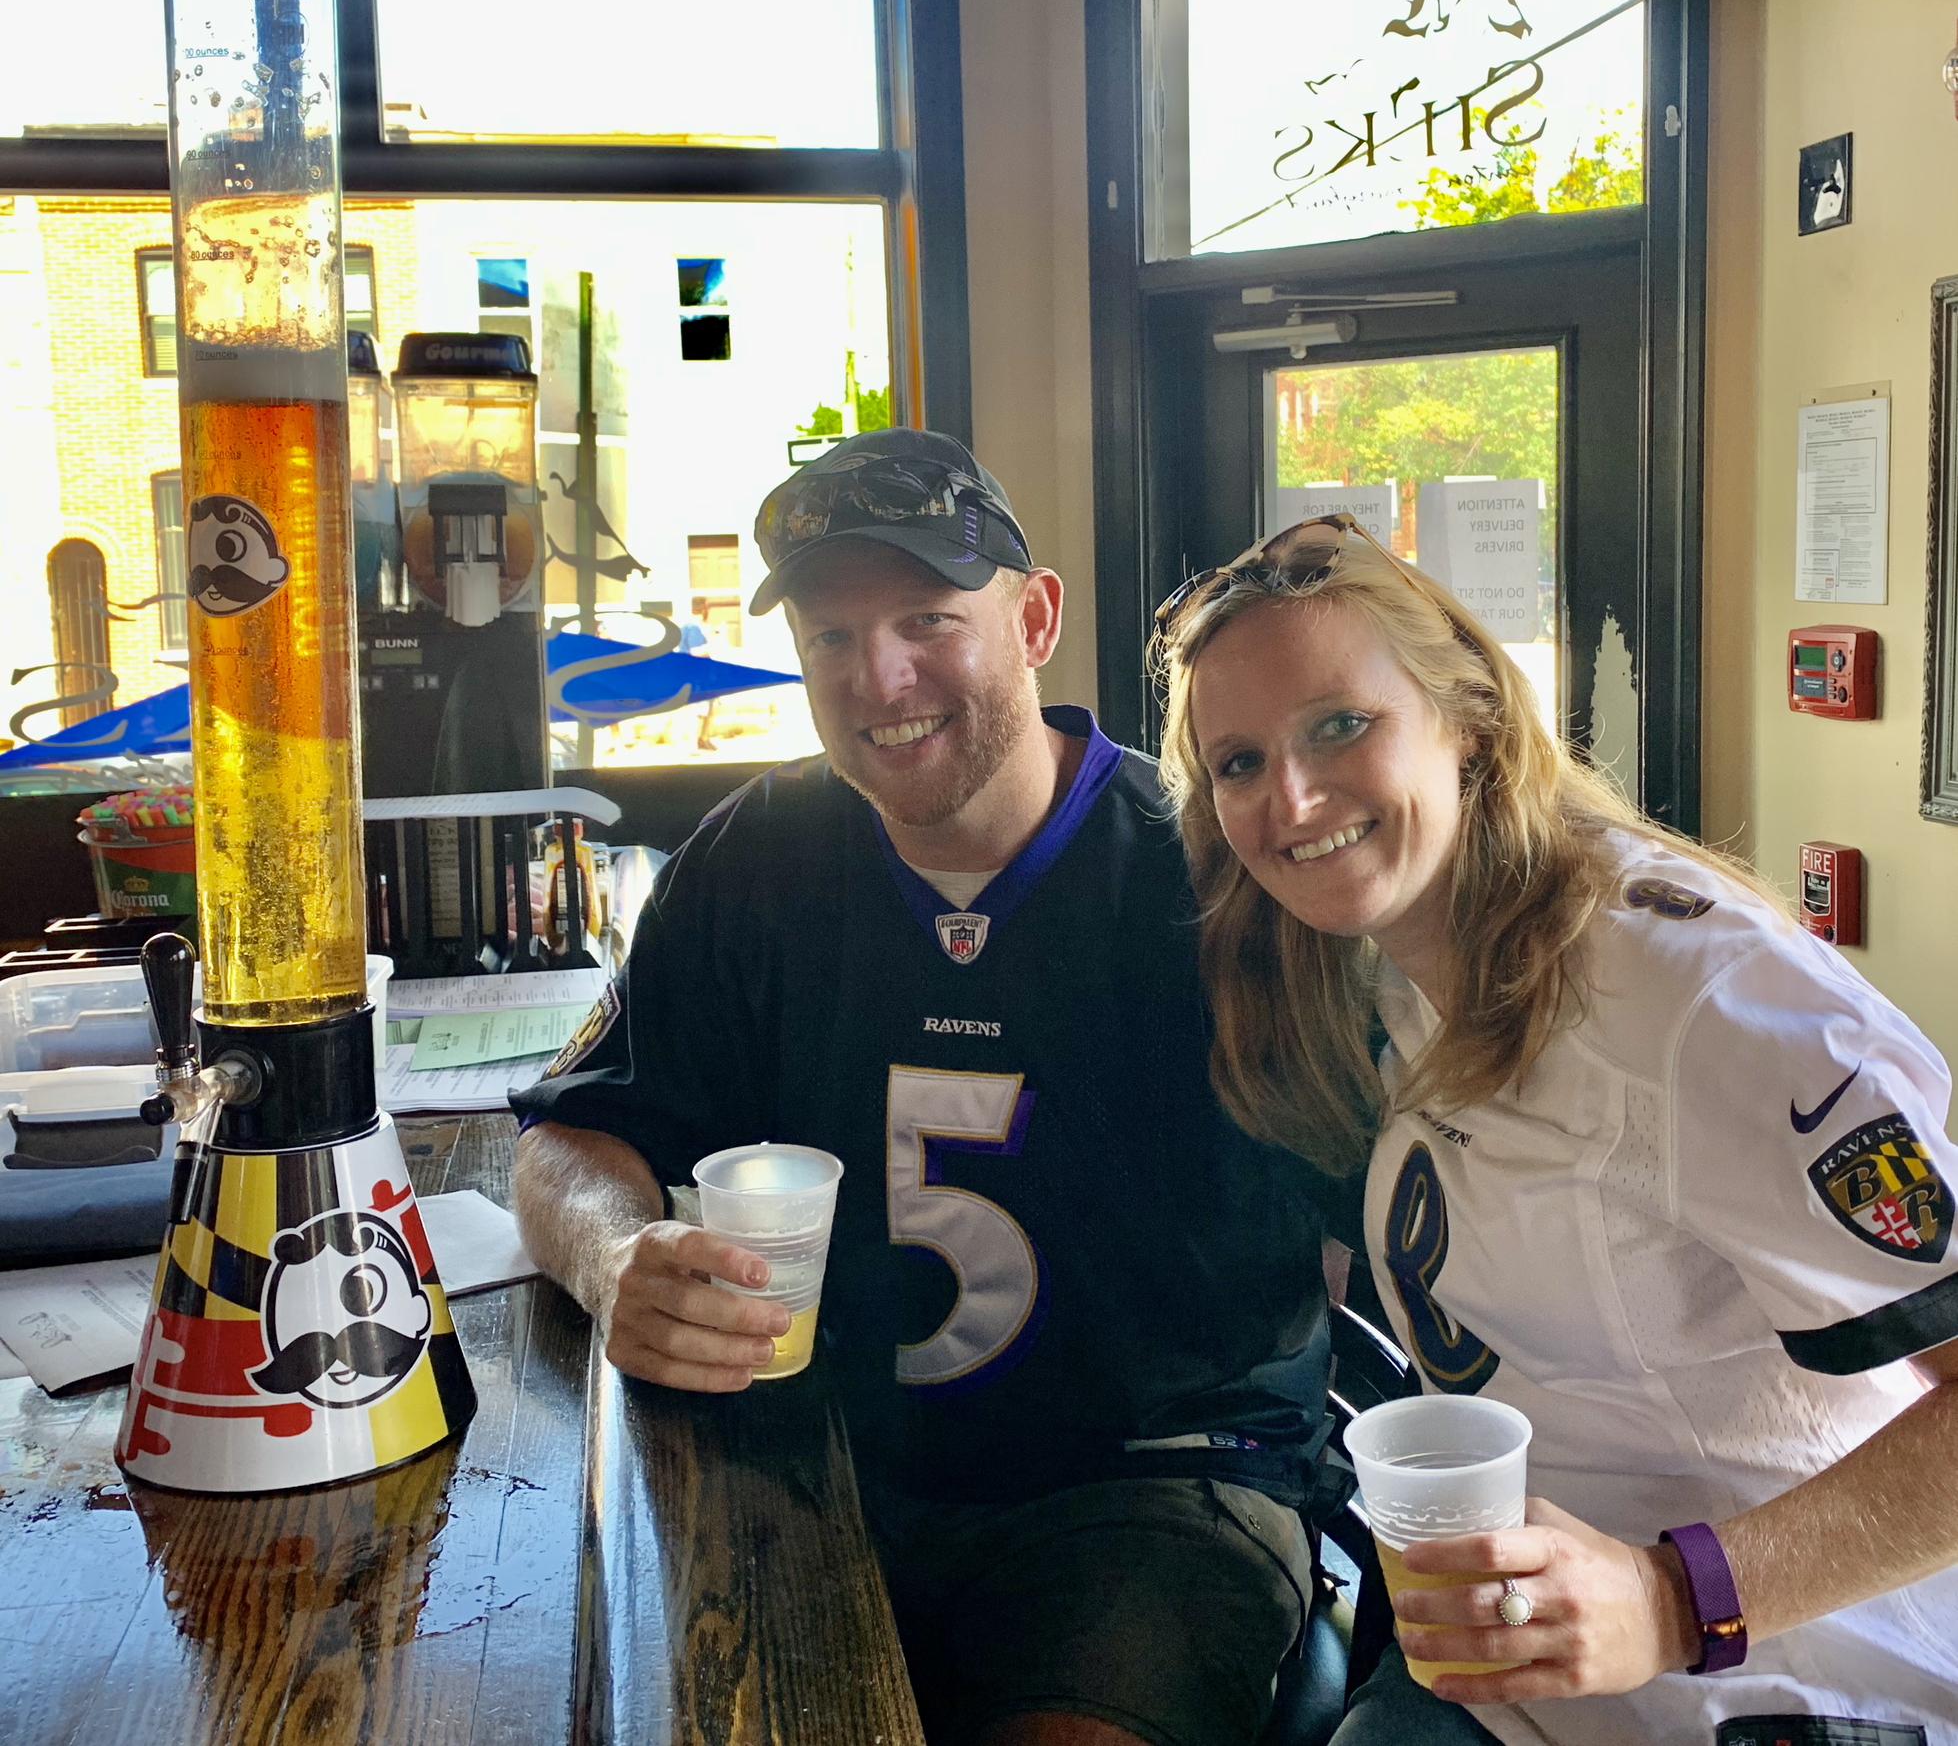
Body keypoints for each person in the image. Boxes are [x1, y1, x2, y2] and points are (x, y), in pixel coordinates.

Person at [512, 430, 1344, 1746]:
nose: (877, 675)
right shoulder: (758, 854)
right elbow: (571, 1138)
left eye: (923, 620)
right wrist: (618, 1259)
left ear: (1034, 617)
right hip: (824, 1457)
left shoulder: (1212, 874)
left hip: (1150, 1488)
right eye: (831, 637)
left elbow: (1417, 1194)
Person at [1153, 513, 1958, 1746]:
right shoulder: (1389, 966)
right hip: (1520, 1692)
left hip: (1788, 1689)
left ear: (1468, 716)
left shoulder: (1703, 999)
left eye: (1339, 723)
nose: (1292, 799)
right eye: (1239, 761)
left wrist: (1676, 1597)